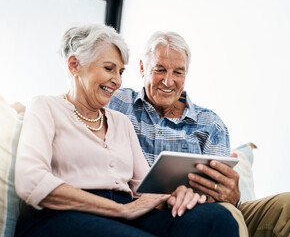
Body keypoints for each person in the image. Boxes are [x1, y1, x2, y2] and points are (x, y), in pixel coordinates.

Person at [14, 24, 239, 237]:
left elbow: (147, 189)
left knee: (218, 218)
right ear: (74, 65)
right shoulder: (45, 106)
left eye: (121, 71)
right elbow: (30, 181)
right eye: (109, 68)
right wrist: (119, 210)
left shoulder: (121, 121)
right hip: (63, 213)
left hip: (126, 213)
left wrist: (174, 195)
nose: (117, 80)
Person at [107, 31, 290, 237]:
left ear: (186, 74)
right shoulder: (116, 101)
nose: (168, 81)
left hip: (202, 209)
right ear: (142, 68)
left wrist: (231, 196)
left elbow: (223, 196)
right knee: (225, 215)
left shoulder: (211, 124)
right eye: (160, 69)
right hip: (149, 212)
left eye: (178, 72)